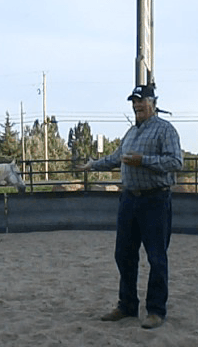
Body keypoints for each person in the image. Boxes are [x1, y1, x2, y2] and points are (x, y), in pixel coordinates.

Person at [77, 84, 183, 329]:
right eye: (134, 102)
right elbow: (116, 158)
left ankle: (156, 310)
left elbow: (175, 162)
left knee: (156, 256)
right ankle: (127, 305)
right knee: (123, 254)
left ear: (153, 103)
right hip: (129, 199)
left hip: (154, 199)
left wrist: (143, 161)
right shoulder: (131, 133)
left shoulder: (165, 130)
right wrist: (92, 165)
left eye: (141, 101)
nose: (137, 106)